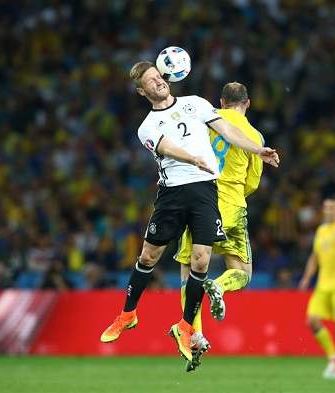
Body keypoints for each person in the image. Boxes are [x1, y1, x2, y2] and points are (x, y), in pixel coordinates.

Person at [99, 61, 279, 363]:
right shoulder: (146, 126)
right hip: (172, 194)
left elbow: (227, 130)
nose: (158, 82)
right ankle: (127, 313)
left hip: (206, 192)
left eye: (159, 76)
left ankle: (187, 328)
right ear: (142, 91)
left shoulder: (195, 104)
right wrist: (194, 158)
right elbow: (168, 148)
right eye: (151, 81)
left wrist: (257, 149)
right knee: (148, 256)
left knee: (200, 260)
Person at [173, 82, 263, 372]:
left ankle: (194, 333)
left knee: (189, 270)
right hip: (233, 205)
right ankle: (221, 286)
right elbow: (252, 183)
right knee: (243, 273)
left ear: (221, 102)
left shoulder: (205, 123)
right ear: (247, 104)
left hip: (199, 203)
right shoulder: (253, 136)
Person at [299, 198, 335, 380]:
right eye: (326, 208)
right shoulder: (321, 231)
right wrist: (307, 277)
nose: (329, 211)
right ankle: (333, 356)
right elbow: (314, 257)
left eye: (333, 207)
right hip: (323, 285)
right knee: (312, 320)